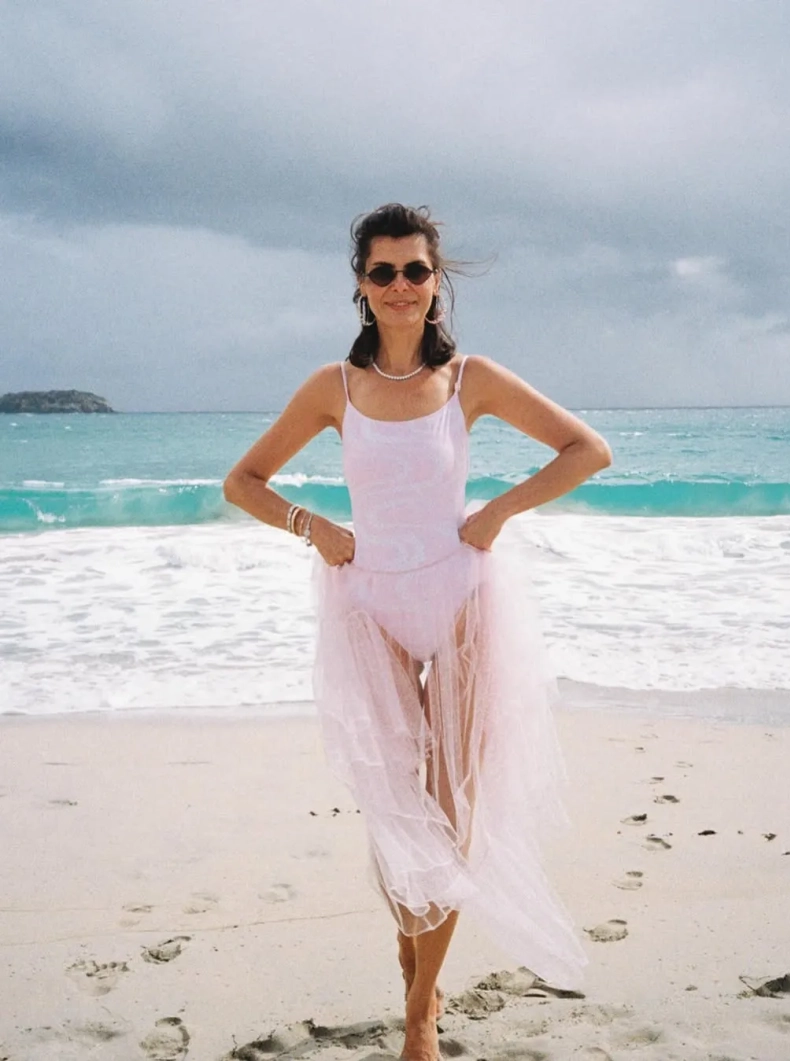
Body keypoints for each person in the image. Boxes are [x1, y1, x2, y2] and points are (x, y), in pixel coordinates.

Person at [224, 203, 612, 1061]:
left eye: (415, 270)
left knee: (449, 803)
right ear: (361, 285)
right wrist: (310, 525)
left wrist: (499, 512)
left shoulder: (471, 379)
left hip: (464, 597)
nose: (400, 285)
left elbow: (587, 449)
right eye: (383, 271)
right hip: (370, 607)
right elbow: (242, 481)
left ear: (437, 282)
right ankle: (417, 958)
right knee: (396, 810)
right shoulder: (333, 387)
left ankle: (421, 1014)